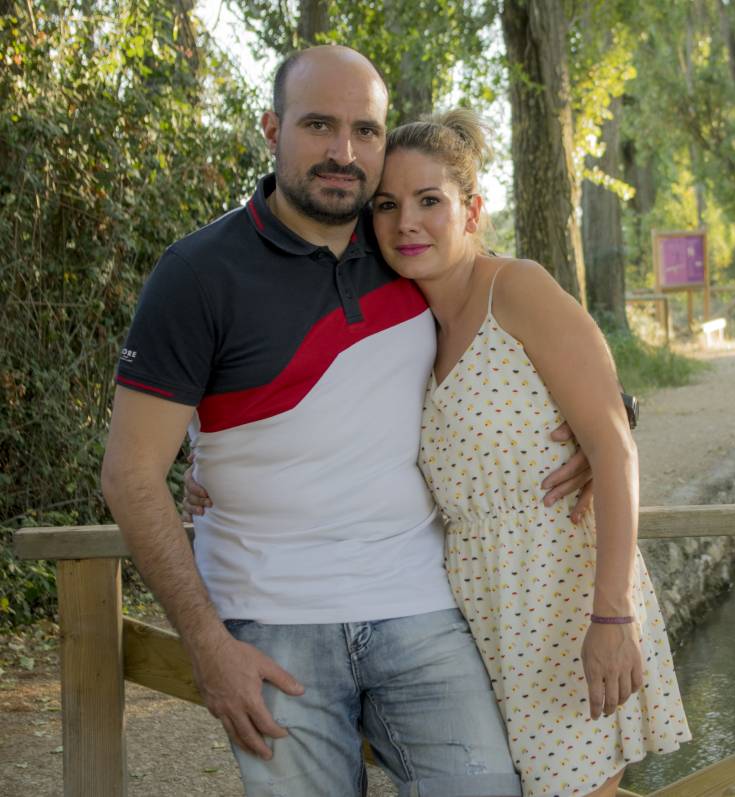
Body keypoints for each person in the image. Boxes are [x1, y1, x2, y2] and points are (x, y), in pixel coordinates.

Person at [102, 45, 594, 797]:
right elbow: (131, 474)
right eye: (319, 125)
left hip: (419, 605)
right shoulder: (197, 274)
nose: (344, 152)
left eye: (365, 130)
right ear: (271, 127)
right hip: (269, 622)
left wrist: (603, 418)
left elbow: (525, 345)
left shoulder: (407, 246)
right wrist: (206, 643)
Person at [376, 110, 691, 797]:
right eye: (388, 205)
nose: (407, 221)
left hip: (564, 598)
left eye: (430, 200)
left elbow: (612, 445)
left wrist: (613, 616)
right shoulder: (407, 326)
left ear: (472, 211)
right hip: (473, 613)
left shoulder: (516, 289)